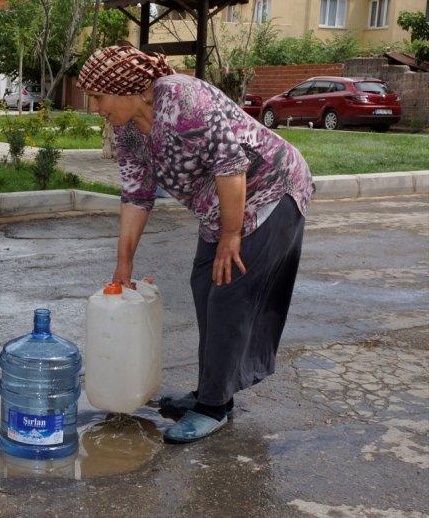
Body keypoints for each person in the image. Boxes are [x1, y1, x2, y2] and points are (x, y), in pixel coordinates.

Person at [77, 45, 314, 443]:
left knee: (228, 292)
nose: (96, 107)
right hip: (221, 208)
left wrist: (231, 237)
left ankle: (214, 406)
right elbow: (137, 194)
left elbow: (232, 165)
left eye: (99, 97)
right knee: (204, 286)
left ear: (127, 88)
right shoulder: (128, 130)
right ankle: (211, 391)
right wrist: (123, 265)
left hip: (270, 190)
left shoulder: (186, 100)